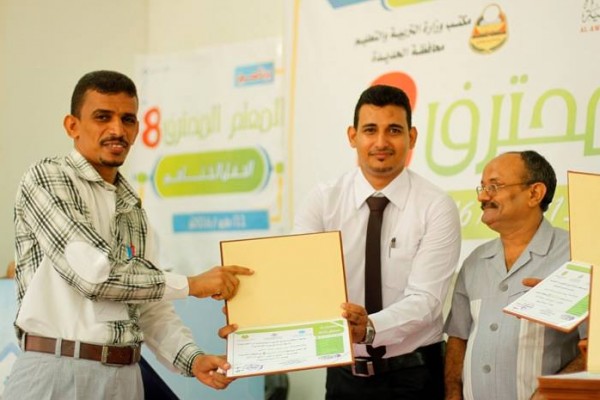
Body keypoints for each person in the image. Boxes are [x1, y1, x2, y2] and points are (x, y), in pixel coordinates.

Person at [4, 70, 253, 399]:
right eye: (102, 117)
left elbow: (149, 306)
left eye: (128, 119)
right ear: (72, 126)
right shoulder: (48, 178)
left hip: (126, 376)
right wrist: (191, 284)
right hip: (56, 371)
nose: (117, 130)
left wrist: (192, 359)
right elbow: (93, 277)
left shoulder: (133, 208)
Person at [293, 85, 462, 399]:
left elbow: (427, 300)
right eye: (370, 130)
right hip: (343, 375)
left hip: (414, 375)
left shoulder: (436, 206)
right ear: (352, 136)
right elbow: (300, 279)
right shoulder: (323, 201)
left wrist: (369, 327)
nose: (381, 142)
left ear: (412, 137)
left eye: (394, 130)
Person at [444, 150, 586, 400]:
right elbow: (458, 339)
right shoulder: (475, 262)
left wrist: (552, 392)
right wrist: (453, 393)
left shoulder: (578, 254)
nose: (482, 196)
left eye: (494, 186)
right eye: (482, 187)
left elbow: (594, 349)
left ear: (534, 193)